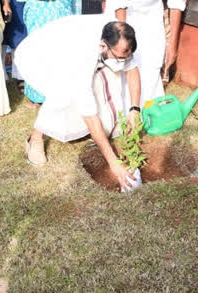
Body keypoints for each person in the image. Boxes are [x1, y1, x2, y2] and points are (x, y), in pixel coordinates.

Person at [14, 15, 141, 186]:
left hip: (71, 45)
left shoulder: (119, 35)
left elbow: (132, 69)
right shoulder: (81, 58)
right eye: (118, 58)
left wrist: (134, 110)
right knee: (63, 95)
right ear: (102, 46)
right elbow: (89, 114)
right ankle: (35, 139)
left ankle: (100, 130)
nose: (122, 62)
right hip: (40, 56)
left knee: (105, 79)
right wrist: (114, 164)